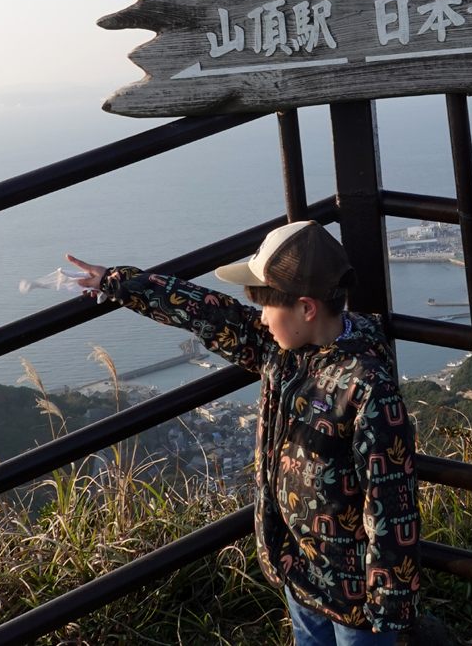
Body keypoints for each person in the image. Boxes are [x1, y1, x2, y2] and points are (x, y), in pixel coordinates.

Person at [66, 219, 419, 645]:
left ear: (307, 309)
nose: (261, 316)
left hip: (356, 595)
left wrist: (389, 606)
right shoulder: (280, 350)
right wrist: (117, 283)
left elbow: (391, 502)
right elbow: (208, 312)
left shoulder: (367, 387)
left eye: (267, 305)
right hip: (298, 571)